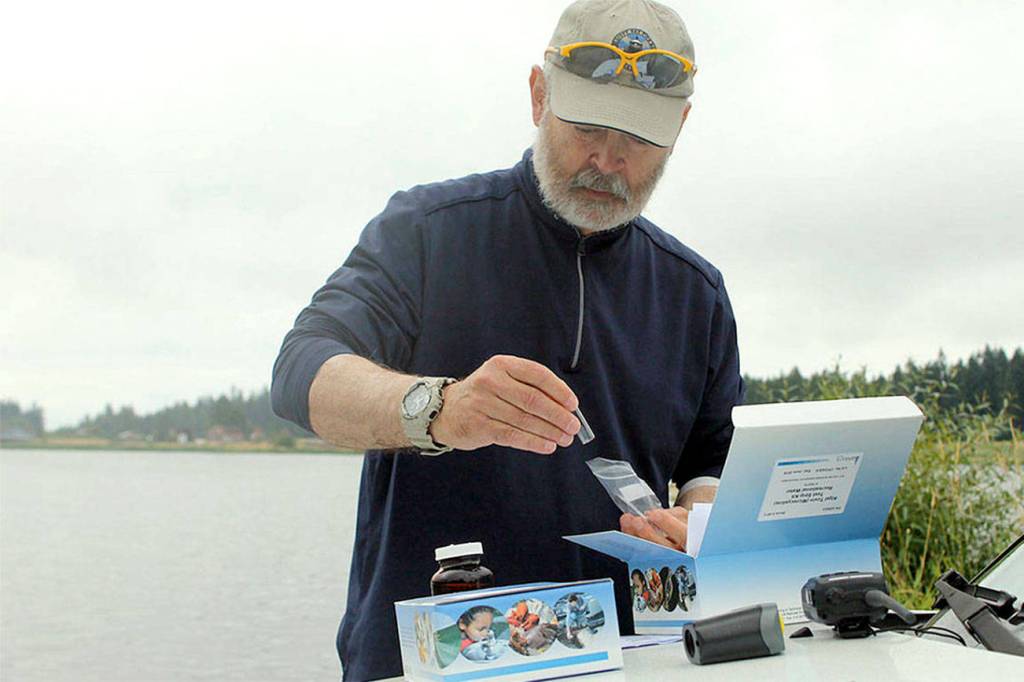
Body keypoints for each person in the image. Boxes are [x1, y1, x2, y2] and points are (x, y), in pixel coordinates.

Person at [271, 0, 743, 678]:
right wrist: (439, 408)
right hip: (428, 659)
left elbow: (714, 462)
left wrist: (699, 526)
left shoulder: (696, 292)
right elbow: (300, 373)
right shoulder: (426, 231)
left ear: (680, 129)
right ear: (538, 95)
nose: (608, 159)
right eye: (588, 125)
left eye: (639, 138)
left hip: (628, 658)